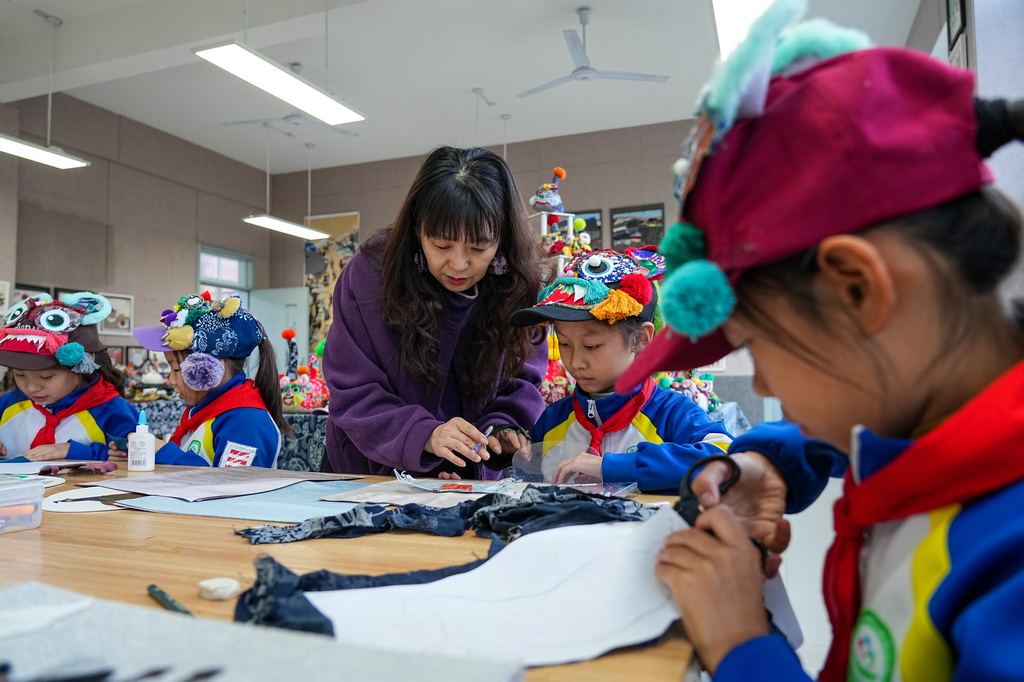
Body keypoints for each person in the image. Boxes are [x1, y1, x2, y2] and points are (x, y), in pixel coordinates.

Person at [615, 3, 1024, 680]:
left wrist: (743, 645)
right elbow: (874, 444)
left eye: (758, 345)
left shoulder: (1006, 561)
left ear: (858, 290)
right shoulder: (944, 425)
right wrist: (773, 462)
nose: (766, 385)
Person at [322, 146, 547, 480]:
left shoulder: (519, 284)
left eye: (478, 248)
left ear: (502, 240)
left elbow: (522, 380)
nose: (458, 264)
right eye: (441, 245)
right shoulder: (370, 274)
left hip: (467, 475)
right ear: (417, 230)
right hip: (368, 471)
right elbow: (352, 388)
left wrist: (502, 428)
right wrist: (424, 434)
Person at [510, 248, 733, 492]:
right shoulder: (553, 420)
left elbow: (725, 457)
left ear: (641, 339)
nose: (575, 362)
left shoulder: (671, 414)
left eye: (591, 346)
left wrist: (613, 467)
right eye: (564, 344)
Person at [127, 291, 289, 467]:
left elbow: (234, 487)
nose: (171, 381)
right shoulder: (203, 409)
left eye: (176, 369)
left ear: (211, 368)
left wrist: (165, 453)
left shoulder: (247, 421)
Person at [0, 292, 138, 460]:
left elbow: (134, 459)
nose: (32, 388)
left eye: (47, 377)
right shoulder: (8, 405)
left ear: (83, 364)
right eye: (20, 375)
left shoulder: (112, 411)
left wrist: (72, 451)